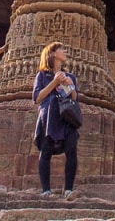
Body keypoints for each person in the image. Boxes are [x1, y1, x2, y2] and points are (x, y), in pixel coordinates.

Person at [33, 41, 79, 198]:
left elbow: (74, 98)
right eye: (61, 49)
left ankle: (68, 189)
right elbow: (37, 98)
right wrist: (55, 81)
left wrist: (69, 84)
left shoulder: (69, 76)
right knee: (45, 151)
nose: (64, 51)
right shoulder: (43, 76)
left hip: (66, 116)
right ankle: (46, 189)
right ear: (52, 54)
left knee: (71, 151)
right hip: (49, 116)